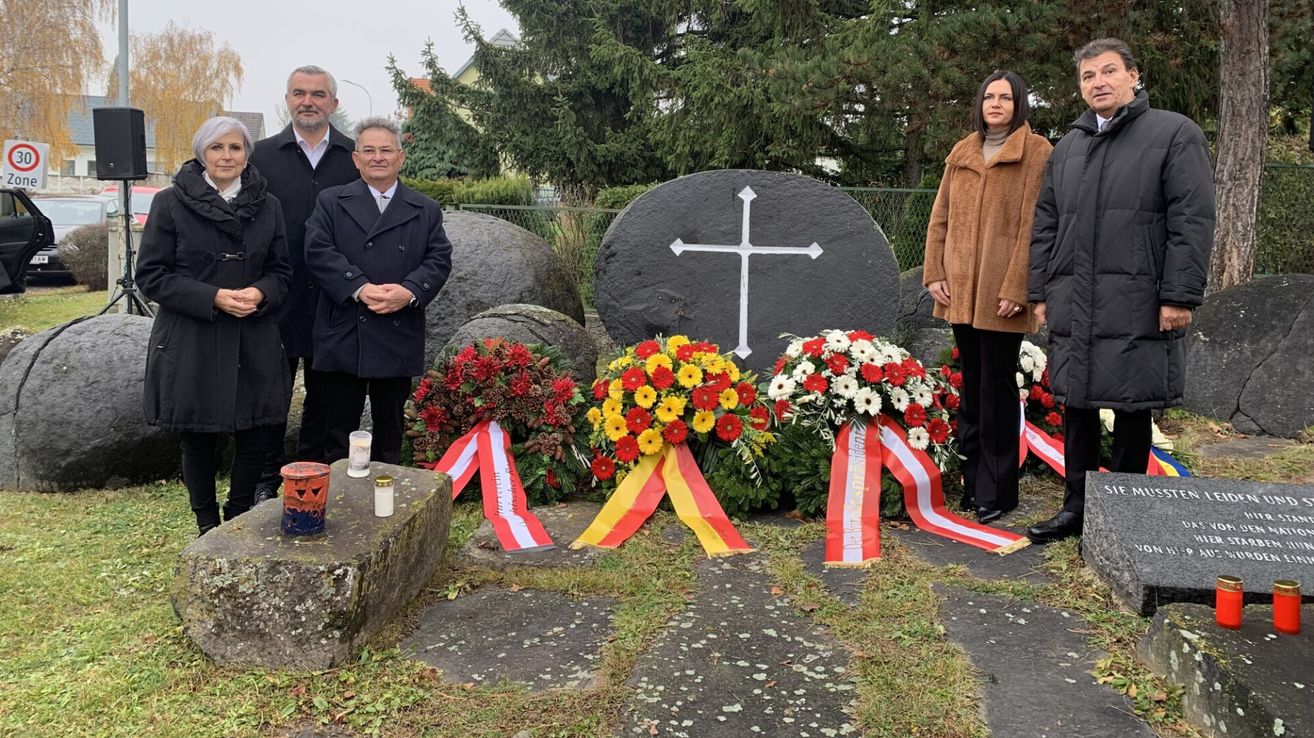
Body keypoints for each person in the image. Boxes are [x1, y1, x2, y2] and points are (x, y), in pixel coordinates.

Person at [1026, 38, 1215, 543]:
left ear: (1134, 76)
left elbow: (1191, 221)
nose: (1098, 82)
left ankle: (1129, 516)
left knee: (1133, 404)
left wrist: (1179, 295)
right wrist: (1040, 289)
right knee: (1077, 402)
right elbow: (1047, 221)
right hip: (1074, 296)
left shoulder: (1174, 134)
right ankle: (1077, 509)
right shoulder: (1069, 146)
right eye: (1088, 76)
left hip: (1139, 296)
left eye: (1109, 72)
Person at [138, 117, 292, 536]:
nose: (227, 156)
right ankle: (207, 525)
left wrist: (260, 292)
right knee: (198, 434)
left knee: (257, 431)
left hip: (253, 333)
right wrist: (213, 297)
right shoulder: (169, 203)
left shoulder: (269, 206)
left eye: (236, 148)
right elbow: (150, 274)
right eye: (217, 148)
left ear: (247, 155)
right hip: (193, 335)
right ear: (201, 153)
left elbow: (281, 271)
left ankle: (238, 515)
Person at [924, 70, 1053, 524]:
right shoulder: (961, 152)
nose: (995, 104)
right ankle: (972, 482)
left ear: (1020, 103)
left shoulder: (1037, 153)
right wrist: (934, 271)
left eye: (1005, 97)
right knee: (972, 390)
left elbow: (1035, 225)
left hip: (1002, 294)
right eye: (988, 96)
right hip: (961, 288)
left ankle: (997, 493)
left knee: (996, 390)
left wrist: (1019, 286)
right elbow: (940, 216)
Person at [304, 117, 452, 465]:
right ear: (356, 159)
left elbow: (439, 258)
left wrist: (410, 291)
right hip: (344, 328)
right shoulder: (331, 201)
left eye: (386, 150)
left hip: (397, 328)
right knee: (337, 428)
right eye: (368, 150)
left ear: (401, 157)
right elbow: (317, 250)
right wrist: (357, 286)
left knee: (391, 428)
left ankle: (388, 500)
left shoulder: (425, 209)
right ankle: (338, 500)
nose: (377, 157)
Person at [249, 65, 360, 501]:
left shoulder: (355, 157)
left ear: (334, 103)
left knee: (327, 396)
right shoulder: (259, 156)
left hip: (335, 297)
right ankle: (264, 480)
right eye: (299, 93)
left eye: (318, 94)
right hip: (276, 295)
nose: (308, 101)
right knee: (270, 393)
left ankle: (314, 475)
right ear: (288, 99)